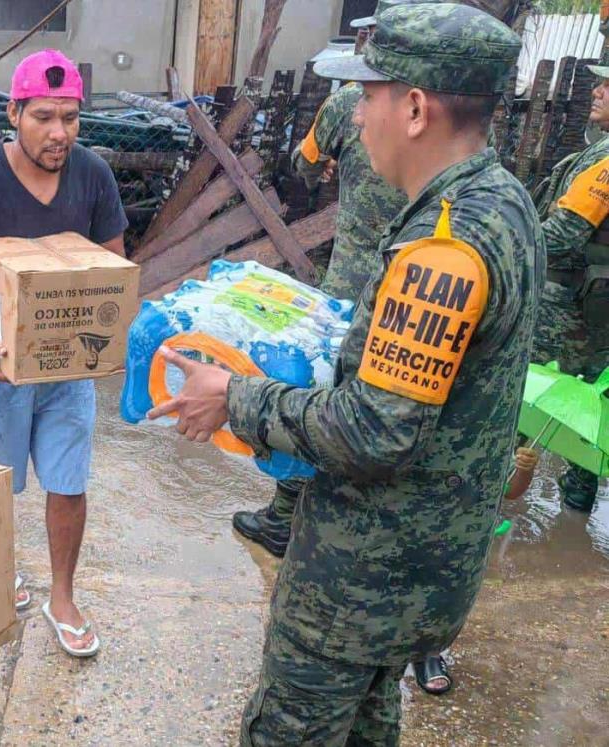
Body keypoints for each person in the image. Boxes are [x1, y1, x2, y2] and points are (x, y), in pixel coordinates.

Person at [148, 4, 542, 742]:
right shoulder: (505, 202)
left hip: (360, 581)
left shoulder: (445, 246)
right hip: (421, 573)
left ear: (416, 107)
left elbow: (374, 429)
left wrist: (234, 395)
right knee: (367, 724)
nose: (357, 118)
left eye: (368, 97)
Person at [0, 49, 127, 658]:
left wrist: (110, 333)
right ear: (12, 112)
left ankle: (61, 597)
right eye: (43, 116)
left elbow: (112, 266)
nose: (59, 132)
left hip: (67, 374)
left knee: (68, 483)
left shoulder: (93, 175)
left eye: (69, 117)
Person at [232, 0, 409, 560]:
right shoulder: (462, 127)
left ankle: (285, 516)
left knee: (320, 391)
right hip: (413, 286)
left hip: (352, 282)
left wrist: (328, 165)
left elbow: (303, 168)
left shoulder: (342, 106)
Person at [529, 63, 609, 514]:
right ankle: (578, 500)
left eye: (607, 85)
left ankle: (490, 491)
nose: (596, 91)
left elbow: (560, 234)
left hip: (566, 305)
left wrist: (505, 246)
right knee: (590, 403)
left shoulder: (606, 163)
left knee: (523, 388)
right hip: (595, 304)